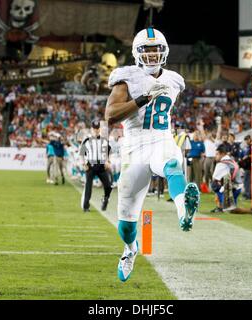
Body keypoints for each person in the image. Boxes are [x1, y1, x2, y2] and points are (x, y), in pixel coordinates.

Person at [105, 27, 200, 282]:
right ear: (137, 53)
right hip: (134, 146)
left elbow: (164, 114)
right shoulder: (127, 77)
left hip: (161, 138)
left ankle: (184, 212)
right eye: (146, 50)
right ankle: (130, 249)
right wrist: (143, 99)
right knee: (126, 223)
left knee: (172, 164)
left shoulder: (174, 80)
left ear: (164, 51)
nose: (152, 55)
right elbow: (111, 116)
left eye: (156, 49)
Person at [79, 120, 112, 212]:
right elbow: (81, 153)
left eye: (97, 128)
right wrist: (83, 164)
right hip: (91, 165)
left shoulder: (104, 140)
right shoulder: (86, 140)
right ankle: (86, 206)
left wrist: (108, 161)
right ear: (91, 129)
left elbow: (108, 152)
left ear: (100, 129)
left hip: (101, 165)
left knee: (108, 186)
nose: (96, 130)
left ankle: (105, 199)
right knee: (88, 187)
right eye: (94, 128)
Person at [210, 145, 242, 213]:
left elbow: (214, 178)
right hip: (237, 188)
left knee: (214, 184)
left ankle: (220, 207)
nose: (215, 156)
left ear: (222, 154)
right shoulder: (232, 160)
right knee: (232, 208)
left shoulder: (221, 164)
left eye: (217, 154)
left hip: (229, 190)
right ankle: (229, 206)